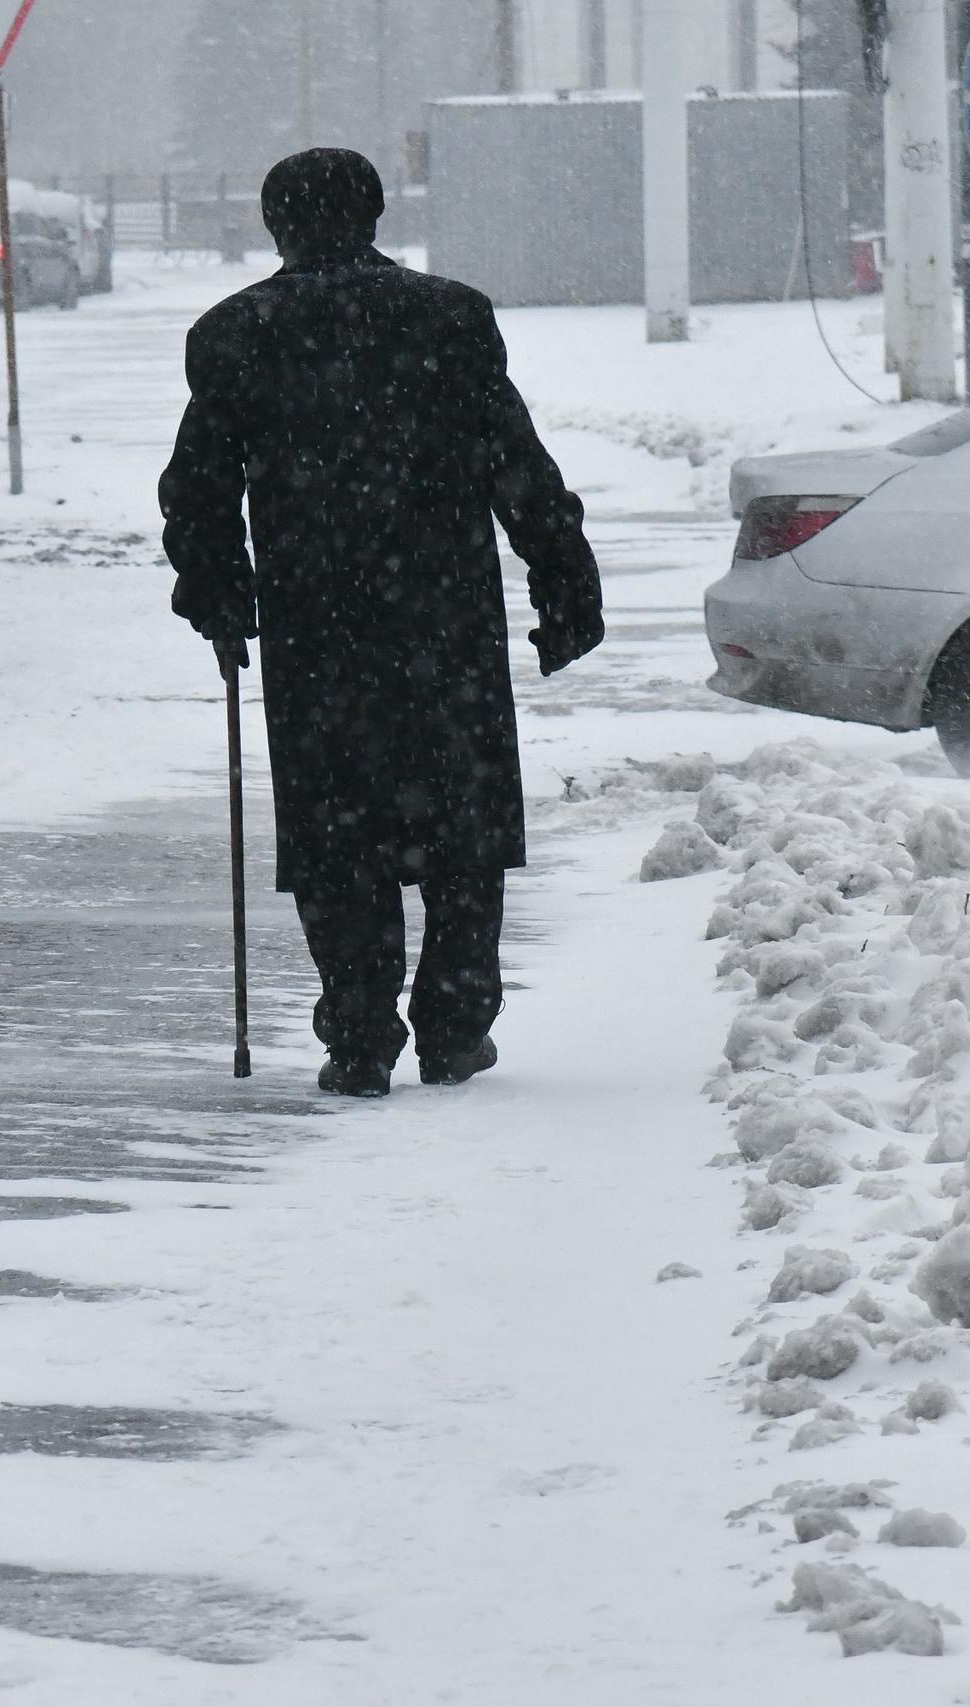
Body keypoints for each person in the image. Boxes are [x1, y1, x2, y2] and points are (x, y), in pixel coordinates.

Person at [158, 148, 604, 1100]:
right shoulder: (449, 318)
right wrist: (562, 577)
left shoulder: (238, 333)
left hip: (317, 624)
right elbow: (514, 461)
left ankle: (359, 1037)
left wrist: (219, 592)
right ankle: (453, 1025)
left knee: (335, 828)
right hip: (443, 616)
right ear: (375, 216)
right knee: (462, 823)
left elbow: (200, 487)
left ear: (277, 224)